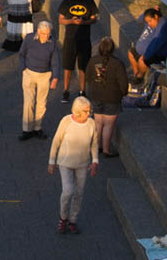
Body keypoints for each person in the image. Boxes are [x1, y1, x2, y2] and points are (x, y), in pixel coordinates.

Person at [48, 95, 99, 234]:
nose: (89, 114)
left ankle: (73, 220)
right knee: (68, 191)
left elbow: (94, 143)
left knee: (79, 193)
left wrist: (95, 160)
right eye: (86, 111)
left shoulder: (91, 123)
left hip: (82, 164)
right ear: (77, 112)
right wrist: (51, 161)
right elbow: (56, 140)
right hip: (65, 162)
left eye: (89, 111)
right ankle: (63, 218)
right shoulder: (66, 121)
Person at [85, 37, 128, 157]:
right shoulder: (117, 64)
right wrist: (123, 93)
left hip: (96, 95)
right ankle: (106, 150)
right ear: (112, 49)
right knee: (108, 124)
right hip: (112, 97)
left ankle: (96, 147)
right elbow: (123, 83)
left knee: (98, 123)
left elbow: (88, 78)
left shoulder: (93, 61)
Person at [18, 20, 61, 140]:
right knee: (28, 102)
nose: (46, 36)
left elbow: (55, 61)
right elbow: (22, 54)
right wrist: (23, 70)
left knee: (42, 103)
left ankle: (37, 127)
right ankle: (27, 129)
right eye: (44, 34)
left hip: (44, 75)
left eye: (48, 34)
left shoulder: (52, 42)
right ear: (38, 32)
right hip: (29, 73)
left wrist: (55, 77)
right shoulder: (29, 38)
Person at [57, 0, 99, 104]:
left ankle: (82, 91)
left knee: (83, 67)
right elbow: (61, 20)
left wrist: (84, 22)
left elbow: (94, 18)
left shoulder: (89, 2)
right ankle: (66, 91)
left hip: (85, 39)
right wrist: (71, 21)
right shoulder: (67, 2)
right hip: (70, 39)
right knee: (67, 67)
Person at [127, 7, 167, 81]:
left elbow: (156, 45)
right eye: (147, 22)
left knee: (142, 61)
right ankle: (135, 73)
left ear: (156, 17)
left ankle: (139, 78)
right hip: (146, 51)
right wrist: (150, 10)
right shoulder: (154, 22)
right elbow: (139, 20)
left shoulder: (163, 27)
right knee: (131, 52)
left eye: (150, 21)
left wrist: (145, 56)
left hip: (159, 55)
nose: (149, 24)